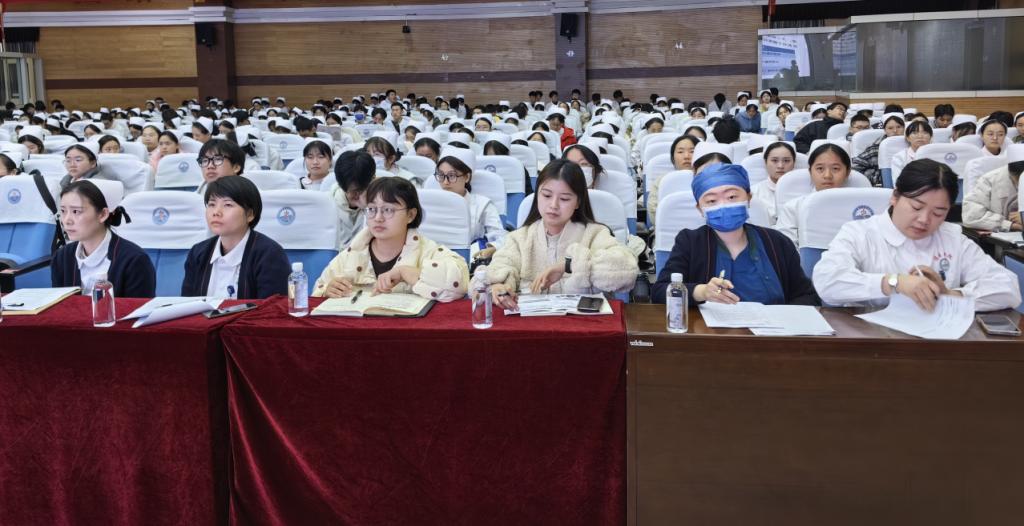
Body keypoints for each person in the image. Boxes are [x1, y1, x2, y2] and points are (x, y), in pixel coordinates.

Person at [813, 159, 1021, 312]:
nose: (924, 220)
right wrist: (893, 283)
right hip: (873, 341)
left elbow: (1008, 287)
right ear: (895, 197)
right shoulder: (859, 233)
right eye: (916, 207)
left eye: (938, 213)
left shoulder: (952, 237)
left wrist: (950, 295)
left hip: (938, 339)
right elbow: (827, 281)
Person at [651, 163, 817, 305]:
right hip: (709, 330)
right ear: (700, 209)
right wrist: (701, 292)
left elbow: (807, 296)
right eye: (711, 201)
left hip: (774, 330)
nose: (723, 206)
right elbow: (660, 291)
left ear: (749, 198)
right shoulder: (690, 242)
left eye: (732, 196)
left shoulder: (777, 242)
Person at [485, 160, 637, 310]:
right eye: (546, 195)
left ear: (578, 202)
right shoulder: (519, 238)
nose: (553, 205)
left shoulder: (595, 234)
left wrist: (568, 265)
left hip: (586, 323)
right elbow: (500, 269)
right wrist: (498, 287)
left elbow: (627, 271)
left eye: (564, 199)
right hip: (533, 322)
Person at [311, 177, 469, 300]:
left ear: (410, 215)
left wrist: (407, 272)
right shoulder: (351, 254)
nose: (378, 218)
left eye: (388, 210)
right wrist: (327, 291)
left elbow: (461, 281)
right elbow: (317, 291)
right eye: (372, 209)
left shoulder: (427, 251)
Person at [181, 175, 290, 299]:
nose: (216, 212)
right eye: (211, 204)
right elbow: (187, 304)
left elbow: (272, 307)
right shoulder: (198, 253)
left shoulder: (269, 254)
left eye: (227, 205)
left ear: (249, 214)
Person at [51, 179, 156, 298]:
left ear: (102, 214)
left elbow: (139, 308)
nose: (66, 220)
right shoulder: (62, 257)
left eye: (76, 211)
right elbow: (59, 306)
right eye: (63, 211)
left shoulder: (134, 261)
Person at [435, 147, 506, 259]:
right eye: (441, 175)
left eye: (452, 176)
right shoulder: (430, 204)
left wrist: (492, 249)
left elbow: (501, 238)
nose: (445, 182)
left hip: (468, 259)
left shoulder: (483, 205)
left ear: (467, 177)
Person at [776, 144, 852, 245]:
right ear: (810, 172)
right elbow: (785, 247)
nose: (827, 175)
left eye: (835, 169)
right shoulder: (793, 208)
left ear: (847, 172)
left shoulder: (857, 208)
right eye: (820, 169)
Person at [962, 145, 1023, 232]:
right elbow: (971, 216)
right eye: (1018, 179)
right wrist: (1010, 225)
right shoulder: (989, 180)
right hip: (1001, 235)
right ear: (1010, 172)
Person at [329, 150, 375, 249]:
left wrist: (367, 208)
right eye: (354, 191)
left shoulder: (384, 201)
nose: (359, 194)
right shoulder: (329, 203)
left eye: (362, 189)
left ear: (373, 179)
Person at [647, 135, 700, 222]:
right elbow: (654, 213)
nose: (686, 156)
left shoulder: (709, 179)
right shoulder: (662, 181)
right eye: (680, 152)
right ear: (673, 158)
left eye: (692, 151)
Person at [750, 141, 796, 225]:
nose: (780, 166)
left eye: (786, 161)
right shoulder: (753, 193)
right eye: (774, 160)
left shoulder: (805, 192)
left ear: (794, 163)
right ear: (765, 162)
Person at [853, 114, 904, 186]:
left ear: (904, 128)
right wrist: (878, 177)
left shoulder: (911, 144)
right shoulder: (876, 148)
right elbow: (855, 168)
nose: (895, 131)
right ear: (885, 131)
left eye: (899, 127)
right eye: (890, 128)